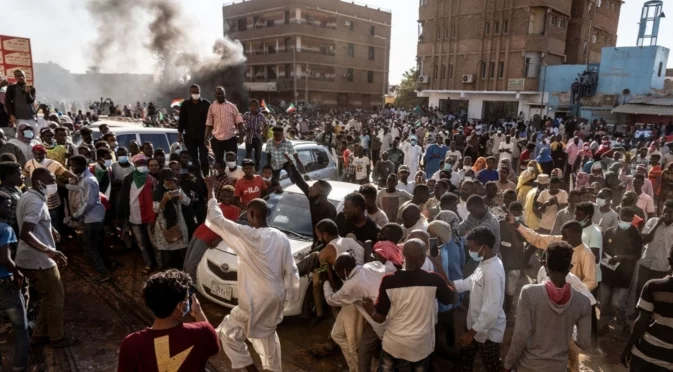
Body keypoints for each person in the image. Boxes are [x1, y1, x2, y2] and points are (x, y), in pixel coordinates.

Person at [204, 176, 300, 372]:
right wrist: (290, 296)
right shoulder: (281, 237)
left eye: (247, 214)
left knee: (230, 334)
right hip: (275, 296)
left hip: (255, 298)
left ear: (252, 214)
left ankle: (251, 369)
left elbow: (216, 219)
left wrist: (210, 189)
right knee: (267, 335)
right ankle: (272, 369)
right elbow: (291, 270)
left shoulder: (249, 236)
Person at [362, 238, 455, 371]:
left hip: (393, 343)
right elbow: (451, 298)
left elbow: (380, 318)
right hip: (420, 345)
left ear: (403, 254)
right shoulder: (434, 280)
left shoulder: (389, 281)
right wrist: (439, 266)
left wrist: (370, 309)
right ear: (423, 257)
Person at [504, 241, 592, 372]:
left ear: (545, 265)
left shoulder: (529, 293)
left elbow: (520, 335)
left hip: (528, 365)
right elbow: (584, 342)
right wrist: (567, 329)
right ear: (570, 267)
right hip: (558, 367)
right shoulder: (583, 301)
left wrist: (508, 363)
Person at [16, 167, 78, 348]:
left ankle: (39, 334)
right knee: (56, 297)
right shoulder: (35, 202)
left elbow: (34, 221)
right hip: (39, 260)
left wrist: (50, 228)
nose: (54, 183)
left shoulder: (29, 196)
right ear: (39, 183)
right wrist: (49, 251)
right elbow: (26, 233)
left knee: (48, 297)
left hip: (31, 258)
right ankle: (56, 337)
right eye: (51, 180)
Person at [117, 269, 219, 371]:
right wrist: (198, 312)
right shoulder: (203, 332)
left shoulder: (131, 344)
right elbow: (214, 348)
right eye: (187, 298)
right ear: (180, 306)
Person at [447, 227, 506, 371]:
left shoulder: (493, 272)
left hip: (486, 333)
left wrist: (470, 334)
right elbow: (470, 282)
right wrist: (447, 284)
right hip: (474, 325)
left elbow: (491, 311)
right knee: (465, 359)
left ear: (484, 247)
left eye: (472, 248)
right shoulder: (485, 262)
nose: (469, 251)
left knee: (492, 366)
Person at [324, 253, 387, 372]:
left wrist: (326, 282)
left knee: (358, 346)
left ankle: (363, 368)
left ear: (346, 270)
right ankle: (356, 367)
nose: (338, 275)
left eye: (338, 272)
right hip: (383, 313)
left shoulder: (351, 285)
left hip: (379, 321)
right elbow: (386, 267)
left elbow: (331, 300)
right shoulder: (371, 265)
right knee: (341, 337)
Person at [621, 246, 673, 371]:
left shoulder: (653, 286)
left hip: (644, 353)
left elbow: (642, 321)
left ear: (669, 260)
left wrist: (628, 347)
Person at [598, 207, 642, 335]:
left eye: (629, 220)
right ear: (618, 218)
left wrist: (621, 257)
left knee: (617, 303)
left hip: (624, 275)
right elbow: (603, 249)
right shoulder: (610, 232)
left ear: (632, 220)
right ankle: (604, 325)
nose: (625, 223)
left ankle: (623, 323)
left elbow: (637, 256)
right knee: (605, 302)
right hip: (607, 273)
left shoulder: (635, 234)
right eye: (623, 219)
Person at [0, 191, 31, 372]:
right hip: (5, 285)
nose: (9, 208)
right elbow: (4, 259)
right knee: (21, 329)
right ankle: (19, 367)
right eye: (6, 205)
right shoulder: (5, 229)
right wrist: (18, 273)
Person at [67, 155, 110, 282]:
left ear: (83, 165)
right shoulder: (84, 178)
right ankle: (106, 266)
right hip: (93, 217)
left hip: (92, 218)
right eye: (71, 165)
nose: (72, 168)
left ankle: (103, 273)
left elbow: (89, 202)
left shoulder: (88, 180)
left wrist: (75, 216)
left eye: (74, 165)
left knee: (89, 247)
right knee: (96, 244)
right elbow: (79, 188)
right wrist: (65, 186)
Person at [284, 153, 336, 246]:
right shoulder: (312, 198)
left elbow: (328, 233)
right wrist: (291, 163)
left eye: (314, 187)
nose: (310, 187)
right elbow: (300, 181)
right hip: (309, 240)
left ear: (322, 192)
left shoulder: (329, 208)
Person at [118, 154, 157, 274]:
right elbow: (123, 199)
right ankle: (148, 264)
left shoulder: (152, 180)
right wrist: (123, 218)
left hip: (150, 216)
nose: (141, 165)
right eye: (138, 163)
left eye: (143, 163)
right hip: (134, 216)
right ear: (134, 165)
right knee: (141, 244)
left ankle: (160, 265)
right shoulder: (128, 179)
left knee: (154, 242)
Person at [635, 200, 673, 305]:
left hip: (661, 267)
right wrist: (657, 225)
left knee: (655, 293)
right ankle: (637, 312)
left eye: (670, 212)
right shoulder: (652, 221)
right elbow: (644, 240)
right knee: (640, 289)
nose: (667, 214)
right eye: (665, 211)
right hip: (645, 263)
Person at [153, 169, 191, 270]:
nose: (171, 182)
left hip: (179, 222)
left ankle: (185, 269)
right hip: (164, 225)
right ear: (162, 180)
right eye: (168, 180)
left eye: (173, 180)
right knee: (166, 250)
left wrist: (180, 195)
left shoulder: (177, 189)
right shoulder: (157, 192)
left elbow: (187, 202)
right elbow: (156, 209)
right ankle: (166, 271)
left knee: (182, 248)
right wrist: (164, 199)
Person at [178, 84, 211, 176]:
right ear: (190, 93)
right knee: (193, 159)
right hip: (189, 136)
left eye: (197, 92)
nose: (195, 94)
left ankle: (206, 176)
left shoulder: (206, 104)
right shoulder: (185, 104)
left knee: (204, 158)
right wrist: (179, 136)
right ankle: (197, 177)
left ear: (200, 92)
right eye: (194, 92)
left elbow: (211, 121)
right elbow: (182, 121)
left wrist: (208, 136)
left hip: (203, 136)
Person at [205, 86, 244, 162]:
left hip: (230, 139)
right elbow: (209, 123)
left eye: (221, 93)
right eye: (218, 94)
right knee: (218, 162)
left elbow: (239, 122)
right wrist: (205, 138)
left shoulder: (232, 106)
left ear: (225, 94)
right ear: (215, 95)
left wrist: (241, 136)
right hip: (217, 140)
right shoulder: (212, 107)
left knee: (232, 162)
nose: (220, 95)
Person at [243, 100, 267, 172]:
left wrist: (262, 130)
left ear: (258, 106)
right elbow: (241, 122)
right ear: (250, 107)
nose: (254, 107)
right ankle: (247, 170)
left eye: (256, 106)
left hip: (258, 137)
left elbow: (266, 124)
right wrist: (245, 128)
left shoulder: (261, 115)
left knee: (258, 156)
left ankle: (257, 170)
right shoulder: (246, 114)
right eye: (252, 106)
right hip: (249, 137)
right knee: (248, 155)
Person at [0, 162, 24, 234]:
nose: (23, 176)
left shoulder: (17, 189)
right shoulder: (3, 193)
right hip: (6, 231)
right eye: (19, 174)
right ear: (9, 177)